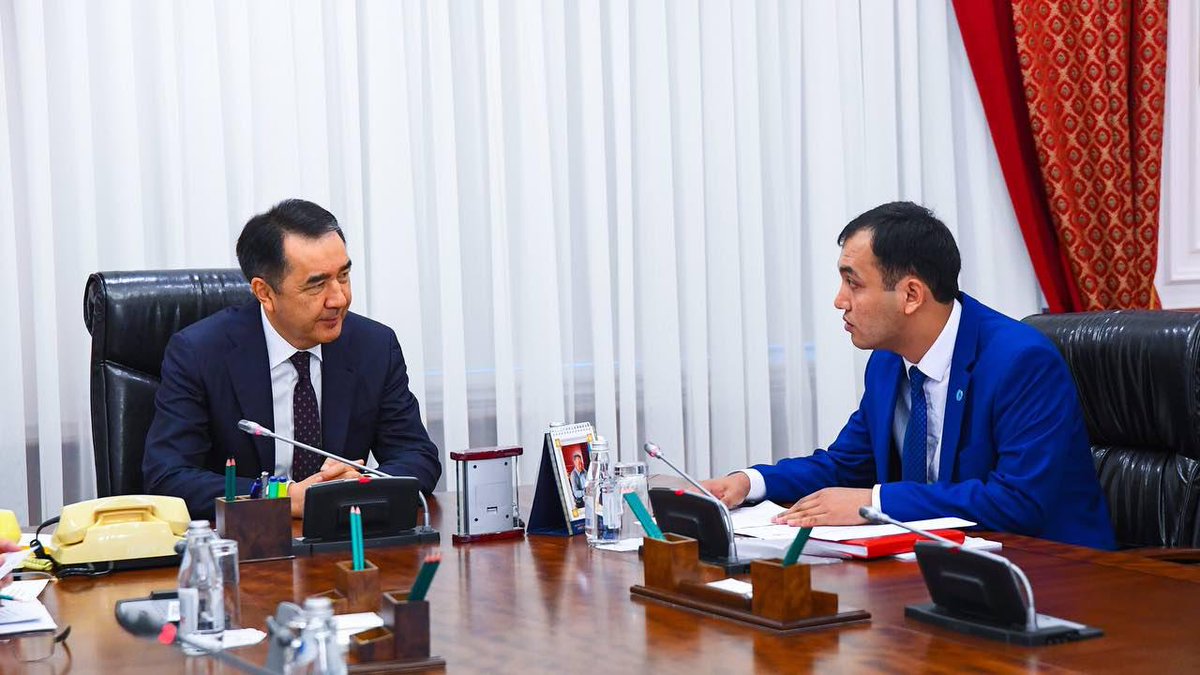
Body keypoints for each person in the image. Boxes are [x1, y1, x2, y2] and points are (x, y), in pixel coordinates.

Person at [701, 202, 1115, 549]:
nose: (839, 301)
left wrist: (876, 503)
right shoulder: (887, 362)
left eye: (853, 284)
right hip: (946, 566)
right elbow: (847, 465)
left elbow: (1017, 501)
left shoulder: (1020, 362)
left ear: (912, 295)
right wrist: (750, 482)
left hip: (1058, 572)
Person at [143, 199, 441, 520]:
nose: (339, 298)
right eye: (317, 284)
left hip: (345, 535)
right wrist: (281, 497)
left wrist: (358, 487)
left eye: (343, 276)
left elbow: (417, 455)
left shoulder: (374, 346)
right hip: (249, 541)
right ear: (265, 293)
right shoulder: (200, 353)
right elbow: (168, 477)